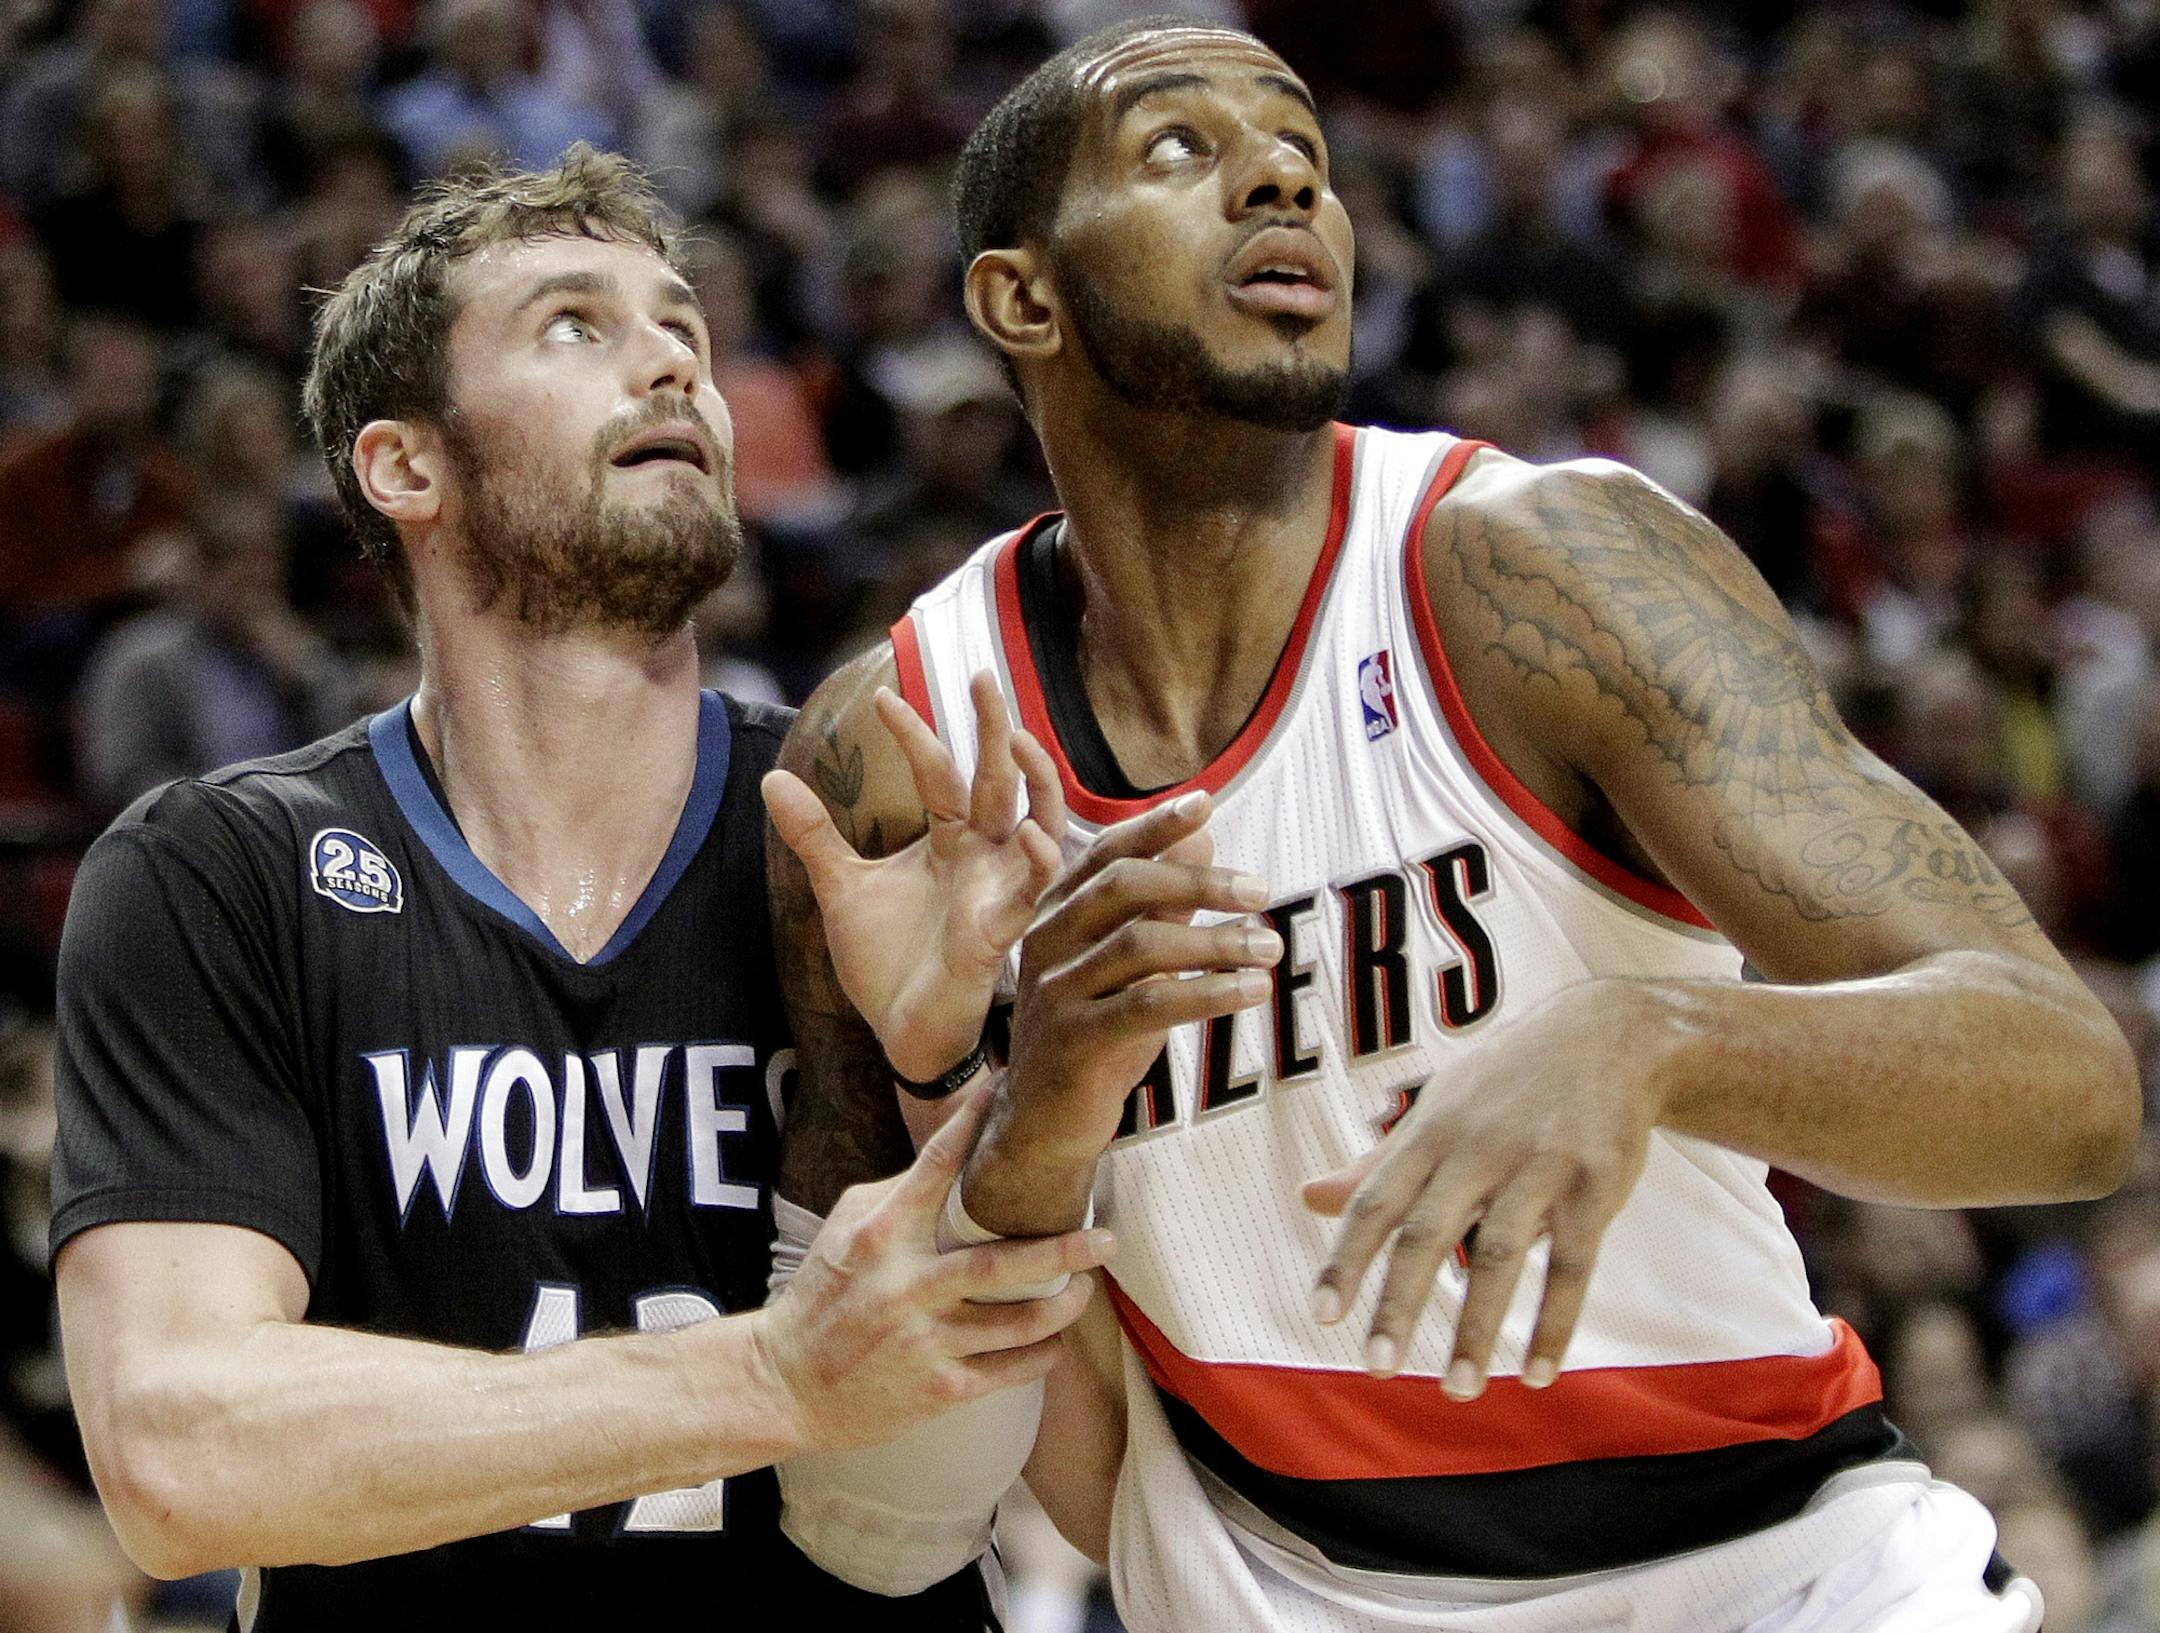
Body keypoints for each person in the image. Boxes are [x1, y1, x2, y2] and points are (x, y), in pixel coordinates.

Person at [760, 19, 2141, 1633]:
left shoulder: (1540, 574)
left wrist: (1655, 1040)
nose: (1283, 176)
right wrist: (969, 1106)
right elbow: (878, 1519)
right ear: (1022, 297)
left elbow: (2069, 1086)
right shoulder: (899, 748)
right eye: (1179, 150)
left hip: (1780, 1570)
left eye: (1306, 154)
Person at [47, 146, 1111, 1631]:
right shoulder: (221, 874)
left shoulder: (879, 827)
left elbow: (1089, 1487)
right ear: (406, 465)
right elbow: (175, 1451)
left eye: (686, 326)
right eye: (576, 325)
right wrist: (768, 1373)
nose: (672, 360)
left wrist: (949, 1077)